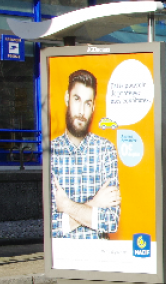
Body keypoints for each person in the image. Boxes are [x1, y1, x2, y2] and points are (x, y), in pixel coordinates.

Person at [49, 69, 121, 239]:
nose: (81, 111)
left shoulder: (105, 149)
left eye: (87, 103)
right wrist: (95, 203)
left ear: (93, 107)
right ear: (67, 98)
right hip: (64, 258)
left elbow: (111, 221)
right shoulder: (51, 152)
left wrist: (66, 205)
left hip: (99, 257)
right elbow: (52, 228)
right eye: (77, 99)